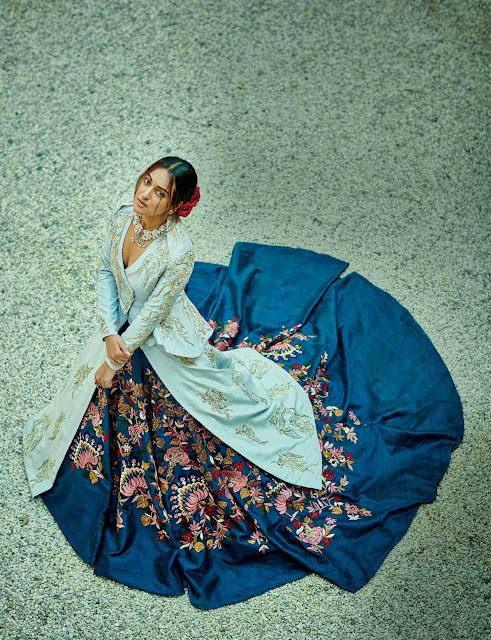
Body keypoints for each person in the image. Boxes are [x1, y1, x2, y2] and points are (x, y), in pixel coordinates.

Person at [23, 155, 464, 610]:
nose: (146, 194)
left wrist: (117, 358)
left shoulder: (178, 251)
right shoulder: (122, 213)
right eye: (146, 181)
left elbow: (153, 314)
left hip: (161, 342)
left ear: (175, 206)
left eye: (160, 192)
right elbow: (104, 272)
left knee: (195, 418)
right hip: (119, 336)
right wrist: (107, 335)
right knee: (91, 405)